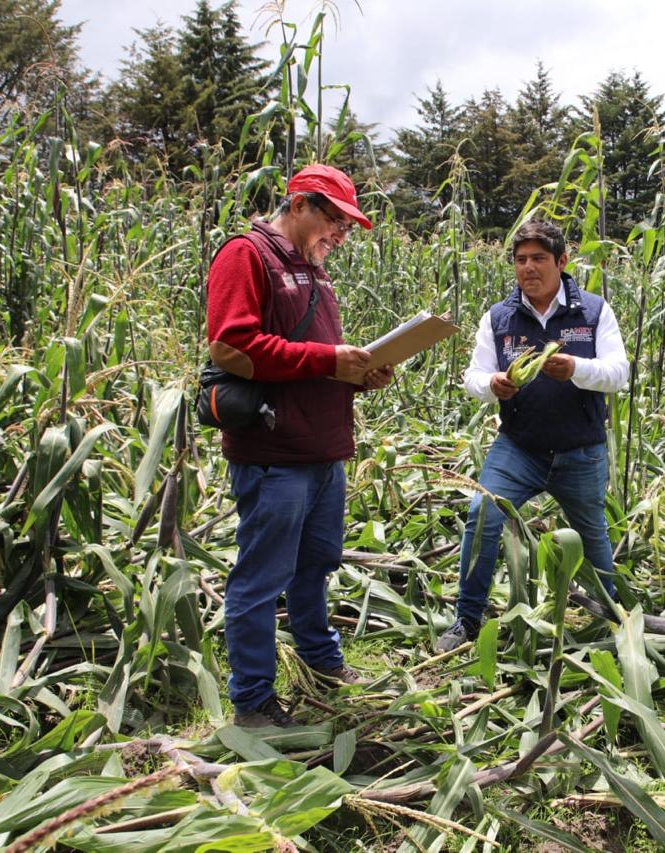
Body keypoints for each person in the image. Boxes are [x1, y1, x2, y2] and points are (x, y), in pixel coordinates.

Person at [206, 164, 394, 728]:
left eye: (345, 227)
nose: (340, 235)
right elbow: (233, 346)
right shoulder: (246, 255)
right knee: (261, 578)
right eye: (335, 221)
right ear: (301, 205)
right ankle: (254, 699)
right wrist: (329, 360)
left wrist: (358, 372)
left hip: (322, 449)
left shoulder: (314, 270)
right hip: (273, 452)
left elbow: (314, 357)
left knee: (315, 566)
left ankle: (319, 659)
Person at [435, 219, 629, 653]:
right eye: (521, 260)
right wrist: (493, 385)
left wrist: (576, 369)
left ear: (562, 262)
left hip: (581, 450)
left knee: (592, 535)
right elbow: (474, 376)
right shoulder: (501, 317)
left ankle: (613, 615)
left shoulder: (593, 312)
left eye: (539, 258)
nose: (529, 268)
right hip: (519, 448)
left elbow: (619, 374)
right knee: (481, 516)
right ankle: (466, 619)